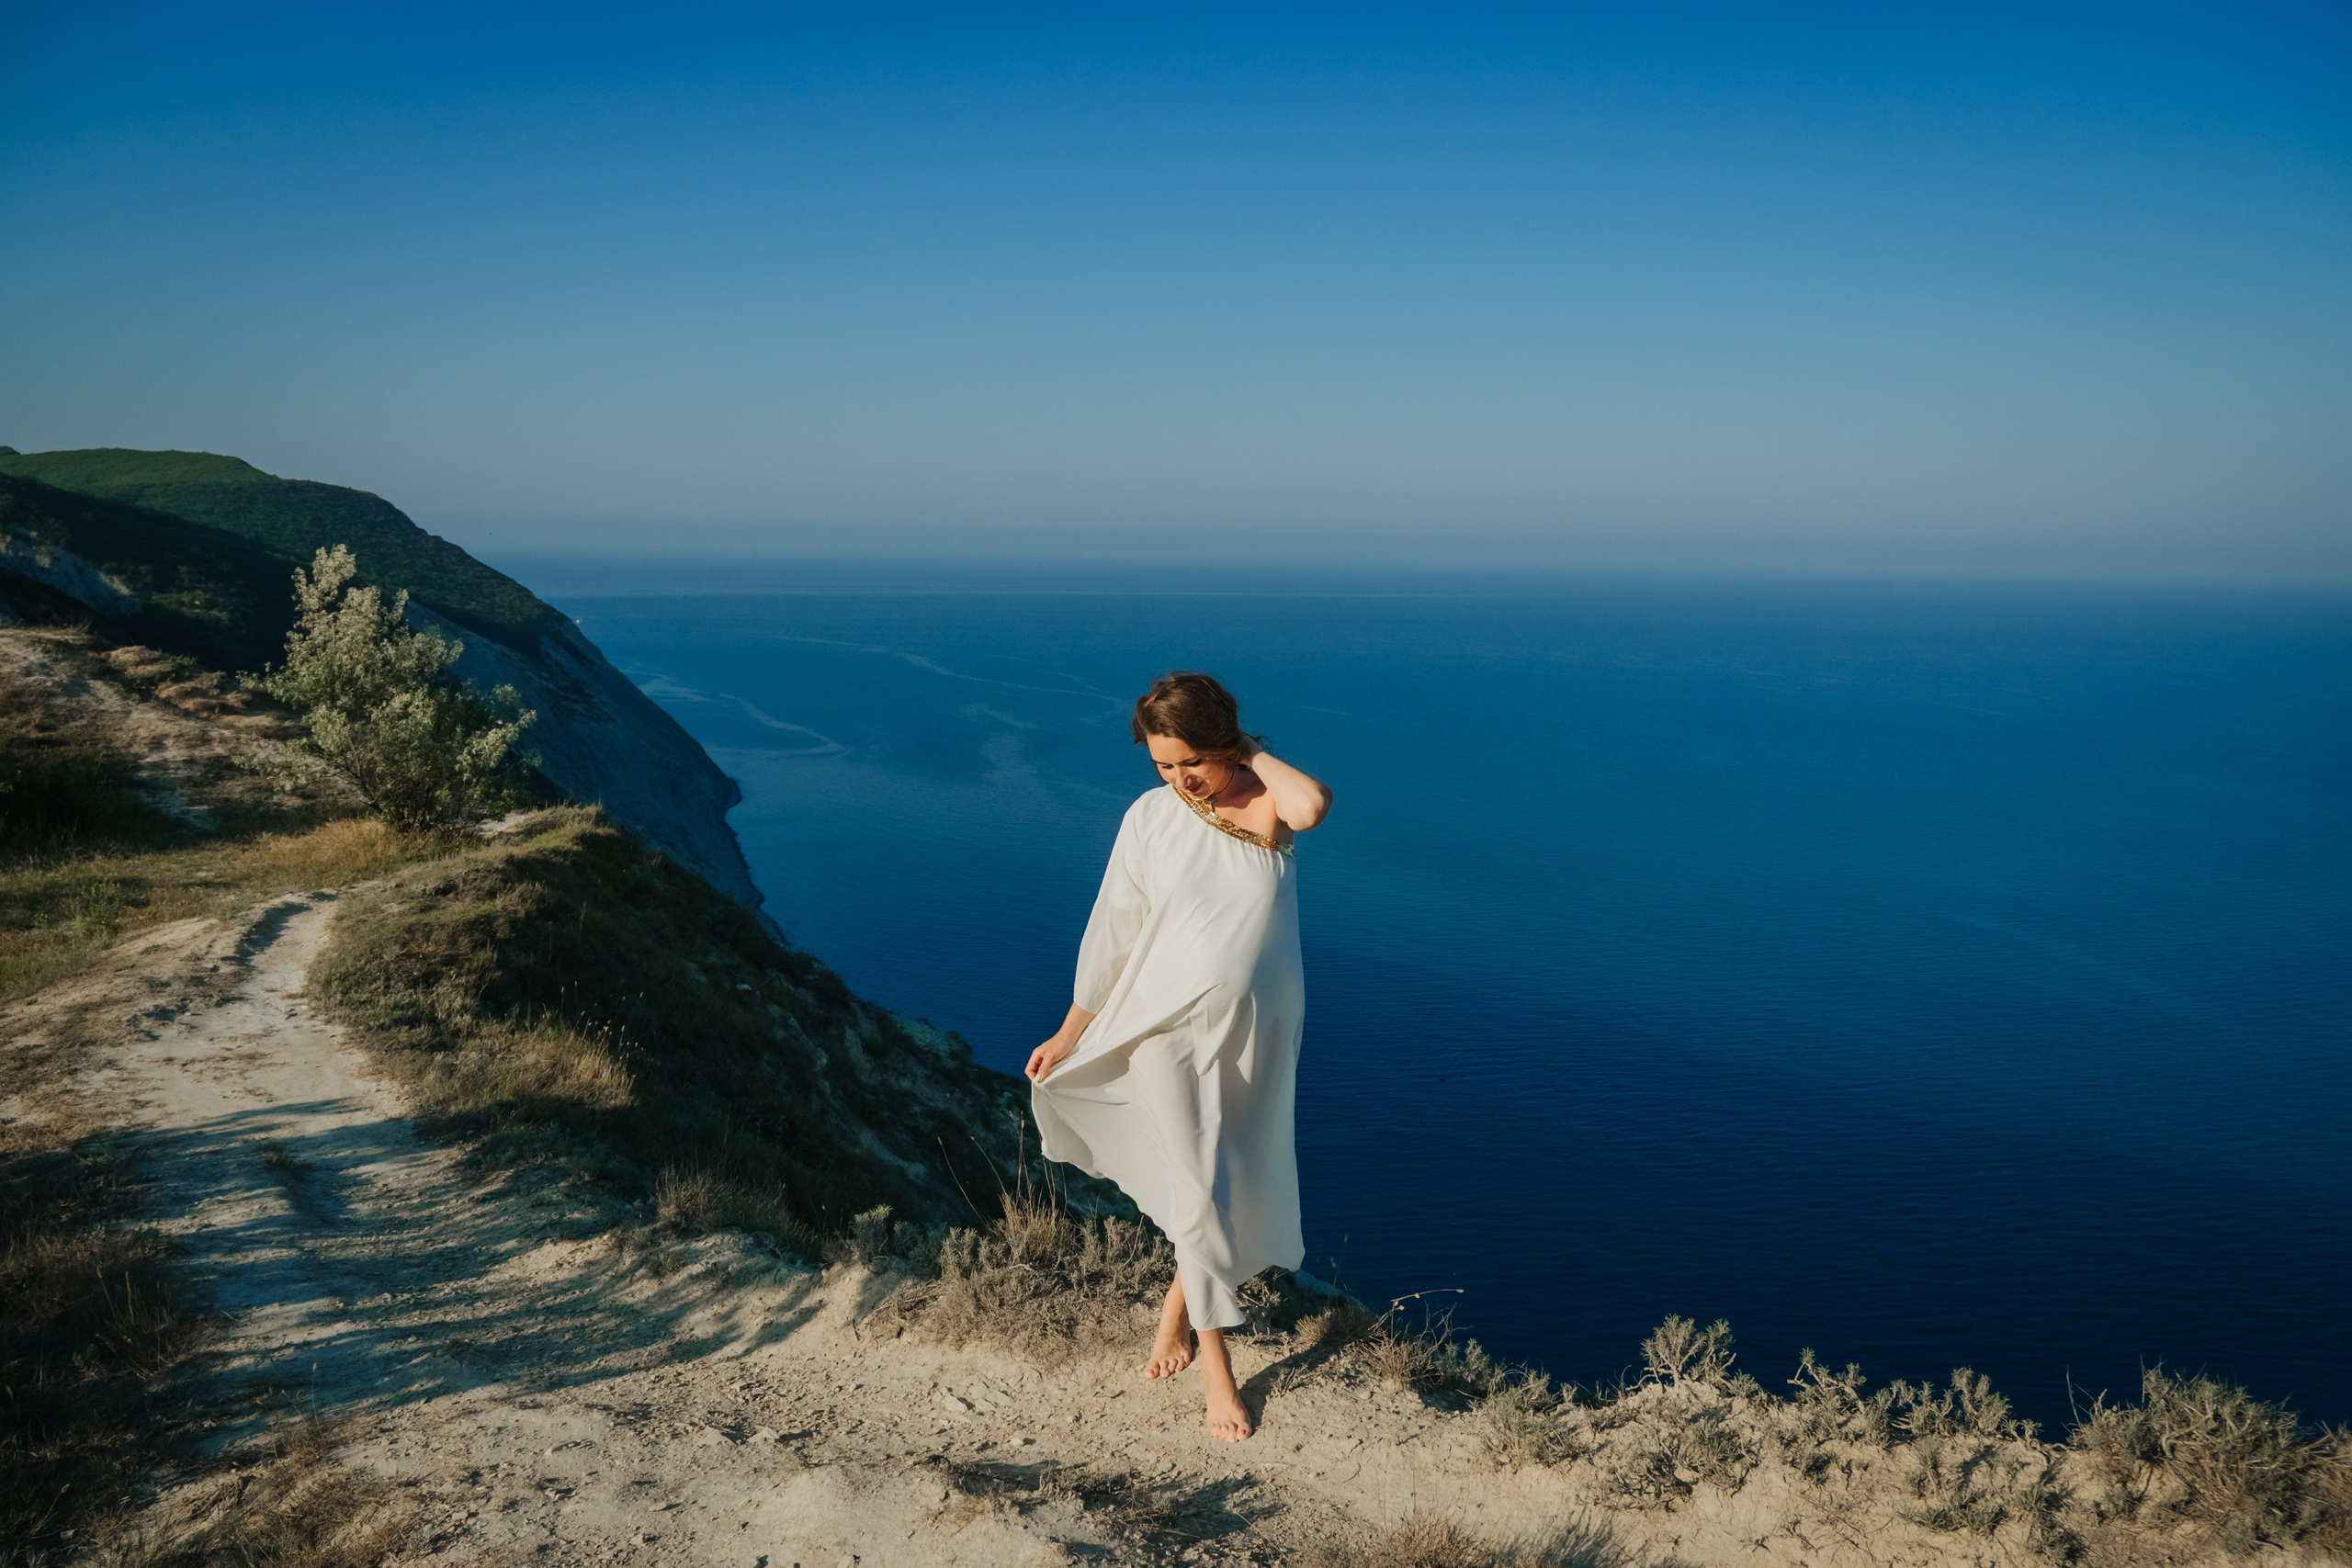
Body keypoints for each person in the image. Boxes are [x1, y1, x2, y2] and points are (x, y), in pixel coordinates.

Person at [1025, 671, 1332, 1443]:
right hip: (1161, 1023)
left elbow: (1312, 805)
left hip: (1255, 1026)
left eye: (1190, 760)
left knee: (1224, 1181)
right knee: (1196, 1184)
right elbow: (1115, 930)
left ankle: (1172, 1316)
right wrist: (1070, 1031)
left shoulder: (1263, 803)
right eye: (1162, 764)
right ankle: (1215, 1366)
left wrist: (1249, 754)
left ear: (1226, 743)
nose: (1177, 779)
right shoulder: (1151, 818)